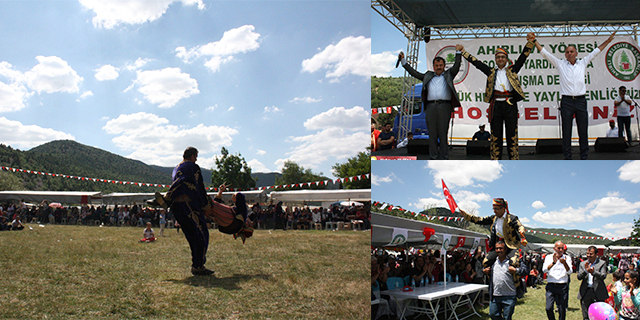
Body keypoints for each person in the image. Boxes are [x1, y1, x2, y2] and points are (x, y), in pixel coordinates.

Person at [534, 32, 616, 159]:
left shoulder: (583, 63)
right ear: (565, 55)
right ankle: (568, 157)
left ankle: (584, 156)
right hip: (566, 102)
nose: (569, 54)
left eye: (572, 51)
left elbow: (596, 51)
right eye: (567, 52)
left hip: (581, 101)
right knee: (566, 132)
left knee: (583, 131)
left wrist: (608, 41)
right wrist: (535, 41)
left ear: (576, 53)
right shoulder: (560, 64)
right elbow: (545, 53)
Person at [459, 33, 536, 159]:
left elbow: (523, 57)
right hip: (496, 106)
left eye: (503, 57)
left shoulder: (512, 70)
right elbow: (476, 63)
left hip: (510, 104)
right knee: (495, 135)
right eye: (498, 57)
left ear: (506, 59)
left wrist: (530, 42)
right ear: (495, 59)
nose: (500, 59)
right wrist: (463, 52)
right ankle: (495, 159)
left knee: (512, 134)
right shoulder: (491, 72)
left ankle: (514, 160)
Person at [157, 147, 214, 276]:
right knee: (201, 234)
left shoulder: (176, 168)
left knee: (192, 236)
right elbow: (199, 187)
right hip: (189, 205)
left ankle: (197, 264)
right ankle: (198, 265)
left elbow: (179, 181)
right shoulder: (193, 167)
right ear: (193, 156)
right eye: (196, 156)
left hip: (177, 207)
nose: (197, 159)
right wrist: (205, 203)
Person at [398, 47, 462, 159]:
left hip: (445, 106)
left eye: (441, 65)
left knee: (443, 134)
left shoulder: (448, 75)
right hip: (431, 106)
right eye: (436, 66)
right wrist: (403, 62)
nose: (438, 67)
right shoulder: (428, 75)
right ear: (433, 67)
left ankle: (444, 157)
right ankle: (433, 156)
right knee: (432, 134)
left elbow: (456, 66)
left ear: (444, 66)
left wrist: (458, 52)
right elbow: (414, 73)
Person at [459, 198, 528, 269]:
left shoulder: (512, 218)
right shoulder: (493, 218)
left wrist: (521, 230)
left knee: (514, 262)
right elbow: (480, 220)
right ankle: (492, 278)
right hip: (498, 244)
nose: (495, 211)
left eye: (496, 209)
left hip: (511, 245)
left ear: (503, 208)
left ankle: (516, 279)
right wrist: (466, 215)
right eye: (493, 209)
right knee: (485, 262)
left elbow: (519, 225)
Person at [483, 241, 528, 320]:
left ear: (506, 249)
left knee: (507, 317)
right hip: (495, 295)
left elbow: (526, 270)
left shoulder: (513, 261)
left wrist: (516, 270)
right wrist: (484, 271)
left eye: (501, 248)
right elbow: (483, 269)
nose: (498, 250)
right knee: (492, 314)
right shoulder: (493, 262)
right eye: (497, 248)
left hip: (509, 295)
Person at [542, 241, 573, 320]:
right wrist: (553, 263)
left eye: (562, 248)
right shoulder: (549, 257)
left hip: (562, 285)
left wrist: (565, 263)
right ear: (554, 248)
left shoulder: (567, 258)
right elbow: (544, 270)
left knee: (562, 309)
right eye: (558, 248)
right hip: (551, 285)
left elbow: (570, 272)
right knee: (548, 308)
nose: (560, 250)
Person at [577, 246, 608, 320]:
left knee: (598, 315)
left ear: (596, 254)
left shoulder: (602, 263)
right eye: (587, 253)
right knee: (586, 315)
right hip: (586, 291)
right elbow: (579, 277)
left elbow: (603, 276)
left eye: (591, 254)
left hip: (598, 292)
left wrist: (593, 272)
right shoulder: (583, 264)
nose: (588, 255)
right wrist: (586, 271)